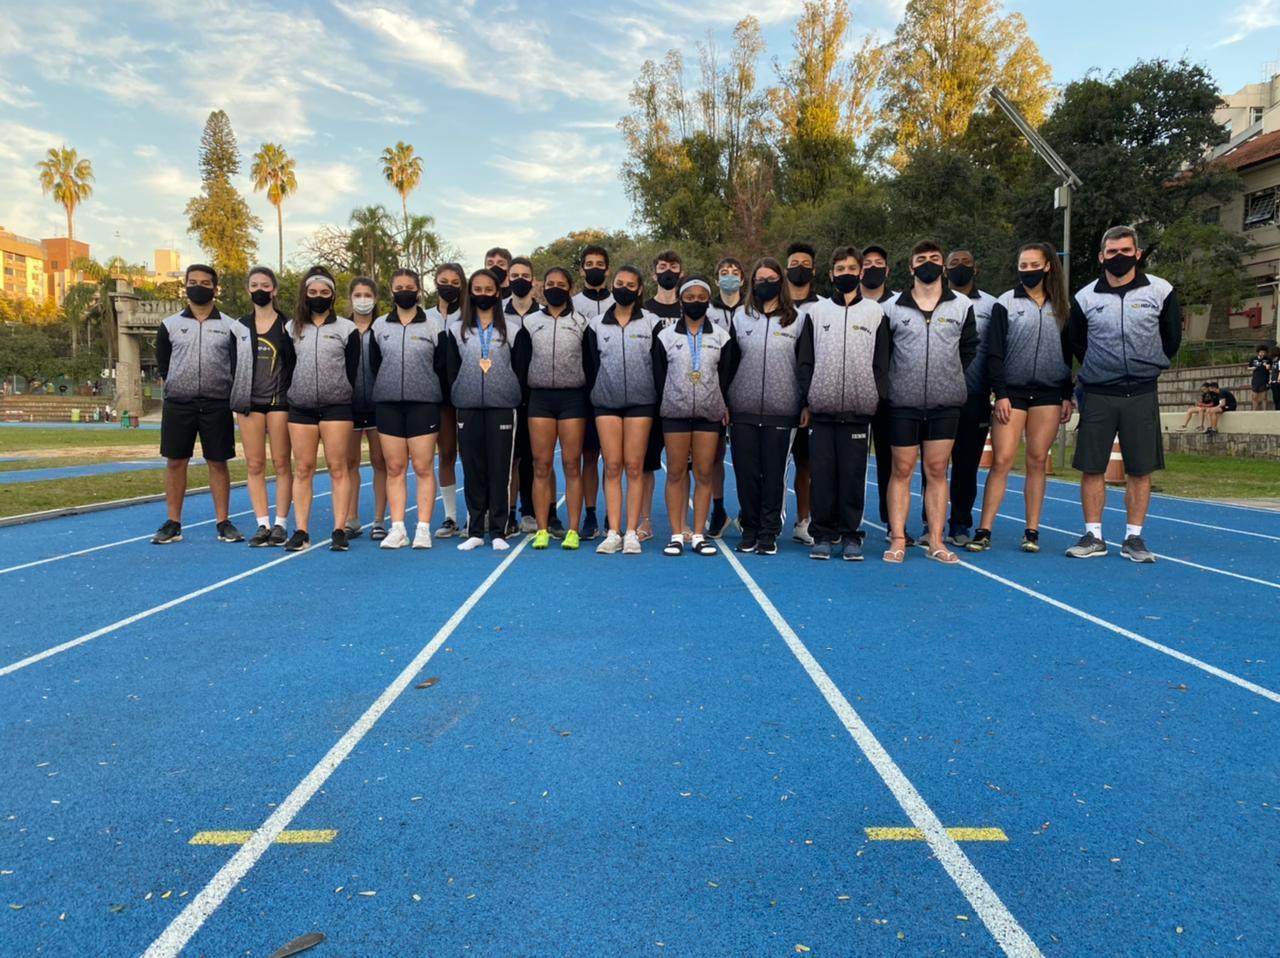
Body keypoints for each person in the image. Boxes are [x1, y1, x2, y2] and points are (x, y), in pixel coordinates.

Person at [1066, 225, 1181, 563]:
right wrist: (1101, 369)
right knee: (1091, 467)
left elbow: (1171, 337)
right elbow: (1077, 343)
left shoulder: (1161, 290)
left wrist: (1149, 364)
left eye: (1125, 251)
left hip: (1142, 391)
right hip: (1099, 392)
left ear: (1138, 253)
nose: (1119, 257)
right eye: (1112, 252)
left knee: (1140, 469)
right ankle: (1093, 535)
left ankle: (1134, 538)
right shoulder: (1085, 297)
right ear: (1101, 256)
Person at [970, 242, 1074, 554]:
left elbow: (1069, 353)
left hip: (1048, 393)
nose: (1027, 270)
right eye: (1022, 265)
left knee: (1037, 461)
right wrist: (999, 393)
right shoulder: (1005, 303)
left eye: (1033, 265)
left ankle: (1032, 531)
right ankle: (984, 529)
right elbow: (995, 353)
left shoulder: (1062, 306)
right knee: (1001, 460)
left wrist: (1067, 394)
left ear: (1047, 267)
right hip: (1011, 393)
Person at [881, 240, 978, 565]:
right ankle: (898, 538)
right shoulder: (892, 307)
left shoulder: (962, 306)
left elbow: (969, 349)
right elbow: (884, 354)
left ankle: (936, 539)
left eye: (934, 258)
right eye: (920, 259)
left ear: (944, 266)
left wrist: (948, 377)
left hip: (944, 403)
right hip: (903, 404)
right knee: (902, 469)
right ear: (911, 267)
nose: (928, 263)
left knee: (937, 469)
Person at [797, 246, 889, 561]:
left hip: (859, 410)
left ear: (860, 273)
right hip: (822, 410)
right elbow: (805, 361)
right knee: (822, 476)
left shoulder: (875, 313)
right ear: (831, 275)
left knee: (852, 476)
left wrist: (876, 396)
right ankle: (822, 534)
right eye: (840, 269)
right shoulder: (817, 312)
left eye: (852, 268)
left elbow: (882, 362)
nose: (846, 273)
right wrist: (808, 398)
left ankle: (851, 535)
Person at [151, 264, 253, 545]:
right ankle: (173, 523)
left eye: (205, 282)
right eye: (193, 281)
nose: (199, 286)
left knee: (218, 462)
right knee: (175, 462)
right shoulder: (169, 325)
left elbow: (236, 365)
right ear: (185, 285)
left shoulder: (231, 326)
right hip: (179, 404)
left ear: (214, 288)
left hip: (216, 404)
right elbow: (164, 366)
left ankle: (223, 522)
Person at [443, 268, 530, 551]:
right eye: (477, 289)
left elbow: (521, 369)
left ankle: (499, 531)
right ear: (470, 293)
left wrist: (509, 394)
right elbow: (450, 370)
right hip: (467, 408)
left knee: (500, 470)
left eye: (488, 290)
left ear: (497, 293)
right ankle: (475, 530)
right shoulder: (455, 331)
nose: (483, 294)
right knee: (472, 469)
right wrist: (460, 391)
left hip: (503, 408)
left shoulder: (514, 331)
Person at [652, 277, 736, 556]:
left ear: (708, 301)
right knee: (675, 472)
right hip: (674, 413)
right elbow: (659, 375)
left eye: (702, 297)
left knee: (703, 473)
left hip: (708, 414)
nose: (696, 301)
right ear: (681, 300)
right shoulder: (665, 336)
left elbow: (725, 376)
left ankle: (699, 534)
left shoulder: (721, 336)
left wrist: (721, 403)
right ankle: (677, 534)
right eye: (690, 297)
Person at [922, 248, 999, 547]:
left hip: (974, 397)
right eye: (954, 264)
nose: (960, 268)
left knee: (966, 466)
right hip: (937, 398)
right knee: (934, 465)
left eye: (966, 263)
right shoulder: (930, 302)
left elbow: (993, 352)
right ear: (945, 269)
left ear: (975, 268)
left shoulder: (990, 305)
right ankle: (931, 523)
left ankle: (960, 524)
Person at [728, 258, 805, 556]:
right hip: (743, 409)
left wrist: (805, 402)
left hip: (782, 410)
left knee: (774, 475)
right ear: (753, 284)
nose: (765, 284)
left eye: (771, 278)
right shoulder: (740, 318)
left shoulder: (797, 319)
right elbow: (729, 364)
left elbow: (804, 365)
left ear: (781, 282)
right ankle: (749, 528)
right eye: (760, 279)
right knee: (747, 474)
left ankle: (769, 531)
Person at [282, 266, 361, 552]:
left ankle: (339, 529)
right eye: (313, 292)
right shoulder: (291, 328)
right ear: (305, 294)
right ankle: (301, 530)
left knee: (337, 468)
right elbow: (288, 367)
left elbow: (351, 371)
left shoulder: (347, 329)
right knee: (302, 469)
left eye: (324, 292)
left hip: (336, 408)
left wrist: (338, 392)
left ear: (333, 296)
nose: (318, 297)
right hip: (301, 408)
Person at [583, 266, 660, 554]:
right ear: (612, 285)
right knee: (612, 465)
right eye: (619, 283)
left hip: (641, 403)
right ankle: (613, 531)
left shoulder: (651, 323)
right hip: (606, 403)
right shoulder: (596, 325)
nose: (624, 288)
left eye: (630, 284)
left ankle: (631, 531)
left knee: (635, 465)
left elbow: (657, 365)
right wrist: (597, 394)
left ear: (639, 290)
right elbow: (590, 366)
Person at [369, 268, 446, 550]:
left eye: (409, 286)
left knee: (423, 466)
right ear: (392, 291)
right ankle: (398, 527)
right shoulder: (379, 326)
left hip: (423, 404)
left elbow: (441, 364)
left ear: (418, 291)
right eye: (398, 286)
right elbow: (375, 365)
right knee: (394, 467)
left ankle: (423, 527)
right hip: (388, 404)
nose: (404, 291)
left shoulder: (433, 324)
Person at [521, 266, 589, 551]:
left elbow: (590, 363)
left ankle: (573, 529)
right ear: (542, 288)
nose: (555, 288)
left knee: (572, 464)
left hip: (572, 399)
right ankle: (542, 529)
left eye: (561, 284)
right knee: (541, 465)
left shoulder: (583, 323)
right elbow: (522, 362)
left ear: (570, 289)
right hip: (540, 399)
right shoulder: (529, 323)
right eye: (550, 283)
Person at [506, 256, 562, 538]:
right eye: (514, 274)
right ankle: (514, 512)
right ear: (508, 279)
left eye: (525, 275)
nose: (519, 279)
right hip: (509, 397)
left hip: (540, 396)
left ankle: (548, 513)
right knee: (514, 460)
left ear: (533, 280)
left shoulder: (544, 314)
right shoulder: (499, 315)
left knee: (542, 460)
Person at [237, 266, 293, 547]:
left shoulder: (288, 326)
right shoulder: (240, 327)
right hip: (249, 404)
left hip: (280, 402)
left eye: (265, 285)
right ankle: (262, 523)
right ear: (249, 289)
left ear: (275, 290)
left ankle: (281, 523)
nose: (260, 289)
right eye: (255, 285)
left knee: (282, 463)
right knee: (255, 464)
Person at [861, 243, 908, 544]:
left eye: (879, 263)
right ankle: (844, 520)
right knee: (851, 460)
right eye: (867, 263)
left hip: (889, 395)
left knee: (890, 461)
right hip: (852, 393)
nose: (873, 268)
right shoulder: (844, 303)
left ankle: (892, 521)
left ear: (887, 270)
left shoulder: (899, 305)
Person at [640, 250, 684, 540]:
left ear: (681, 273)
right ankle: (644, 521)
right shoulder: (644, 310)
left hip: (684, 397)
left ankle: (682, 524)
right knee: (645, 464)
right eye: (662, 267)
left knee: (683, 467)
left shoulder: (690, 306)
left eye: (674, 267)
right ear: (654, 274)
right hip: (652, 397)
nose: (668, 271)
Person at [572, 244, 613, 541]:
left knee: (615, 459)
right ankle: (590, 514)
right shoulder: (573, 304)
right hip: (583, 391)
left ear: (607, 269)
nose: (595, 267)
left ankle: (614, 513)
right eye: (590, 263)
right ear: (583, 269)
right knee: (588, 456)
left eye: (600, 263)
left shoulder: (620, 302)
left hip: (614, 391)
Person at [706, 256, 745, 537]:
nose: (729, 276)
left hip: (747, 392)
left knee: (746, 457)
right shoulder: (706, 311)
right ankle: (717, 509)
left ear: (743, 280)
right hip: (714, 391)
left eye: (735, 272)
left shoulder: (752, 311)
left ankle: (747, 511)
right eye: (724, 273)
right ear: (716, 280)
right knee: (714, 456)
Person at [784, 242, 820, 546]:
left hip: (810, 399)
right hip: (777, 399)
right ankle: (762, 518)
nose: (799, 267)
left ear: (814, 270)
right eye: (794, 262)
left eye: (805, 263)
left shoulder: (821, 308)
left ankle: (804, 521)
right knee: (770, 465)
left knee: (807, 465)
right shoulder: (772, 306)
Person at [347, 276, 388, 542]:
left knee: (379, 462)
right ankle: (351, 519)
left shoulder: (383, 328)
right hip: (347, 406)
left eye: (367, 294)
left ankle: (378, 520)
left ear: (375, 298)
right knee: (348, 463)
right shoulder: (342, 328)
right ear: (350, 298)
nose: (363, 299)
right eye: (358, 294)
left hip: (378, 404)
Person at [429, 263, 466, 539]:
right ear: (435, 282)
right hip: (438, 398)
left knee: (474, 456)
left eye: (455, 282)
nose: (449, 286)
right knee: (447, 455)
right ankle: (450, 517)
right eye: (444, 281)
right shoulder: (425, 317)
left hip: (467, 396)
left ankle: (481, 513)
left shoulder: (469, 316)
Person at [1249, 345, 1271, 410]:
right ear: (1258, 352)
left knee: (1264, 397)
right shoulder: (1253, 359)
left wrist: (1268, 367)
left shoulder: (1268, 359)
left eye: (1264, 352)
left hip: (1264, 380)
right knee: (1254, 397)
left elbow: (1271, 369)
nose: (1262, 354)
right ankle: (1254, 411)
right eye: (1261, 352)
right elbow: (1248, 367)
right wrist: (1252, 368)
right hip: (1255, 380)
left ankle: (1265, 411)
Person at [1271, 346, 1280, 411]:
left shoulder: (1279, 361)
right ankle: (1277, 409)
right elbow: (1273, 371)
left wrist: (1278, 379)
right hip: (1273, 381)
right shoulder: (1274, 361)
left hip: (1277, 381)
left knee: (1278, 397)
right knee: (1275, 398)